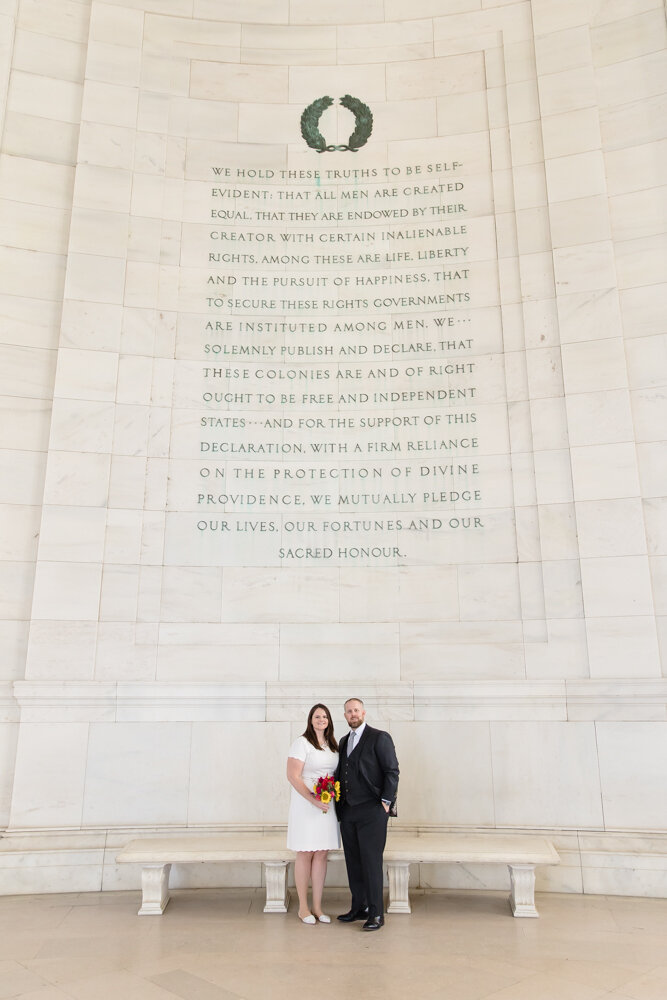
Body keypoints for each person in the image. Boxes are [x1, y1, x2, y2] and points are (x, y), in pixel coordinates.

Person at [334, 697, 399, 931]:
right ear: (345, 716)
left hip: (372, 810)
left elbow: (392, 771)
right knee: (353, 861)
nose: (353, 714)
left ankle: (377, 914)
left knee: (371, 862)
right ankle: (359, 907)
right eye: (349, 711)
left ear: (364, 713)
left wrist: (385, 803)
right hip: (348, 811)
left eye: (356, 710)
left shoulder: (379, 737)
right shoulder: (343, 741)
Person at [286, 703, 340, 924]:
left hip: (327, 804)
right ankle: (303, 908)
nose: (321, 719)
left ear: (329, 721)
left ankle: (318, 907)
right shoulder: (301, 743)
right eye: (317, 716)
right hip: (306, 804)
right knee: (305, 852)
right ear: (310, 720)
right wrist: (312, 798)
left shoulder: (332, 745)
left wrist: (327, 797)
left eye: (325, 716)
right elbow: (292, 776)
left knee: (321, 853)